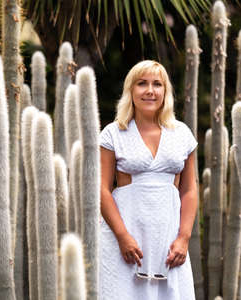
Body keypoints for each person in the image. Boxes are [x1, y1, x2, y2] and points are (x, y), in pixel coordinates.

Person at [99, 60, 198, 299]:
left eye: (157, 84)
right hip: (124, 238)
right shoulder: (113, 133)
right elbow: (101, 188)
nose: (150, 90)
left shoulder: (182, 134)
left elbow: (189, 190)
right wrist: (123, 236)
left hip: (169, 239)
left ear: (166, 92)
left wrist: (183, 238)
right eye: (142, 84)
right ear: (130, 90)